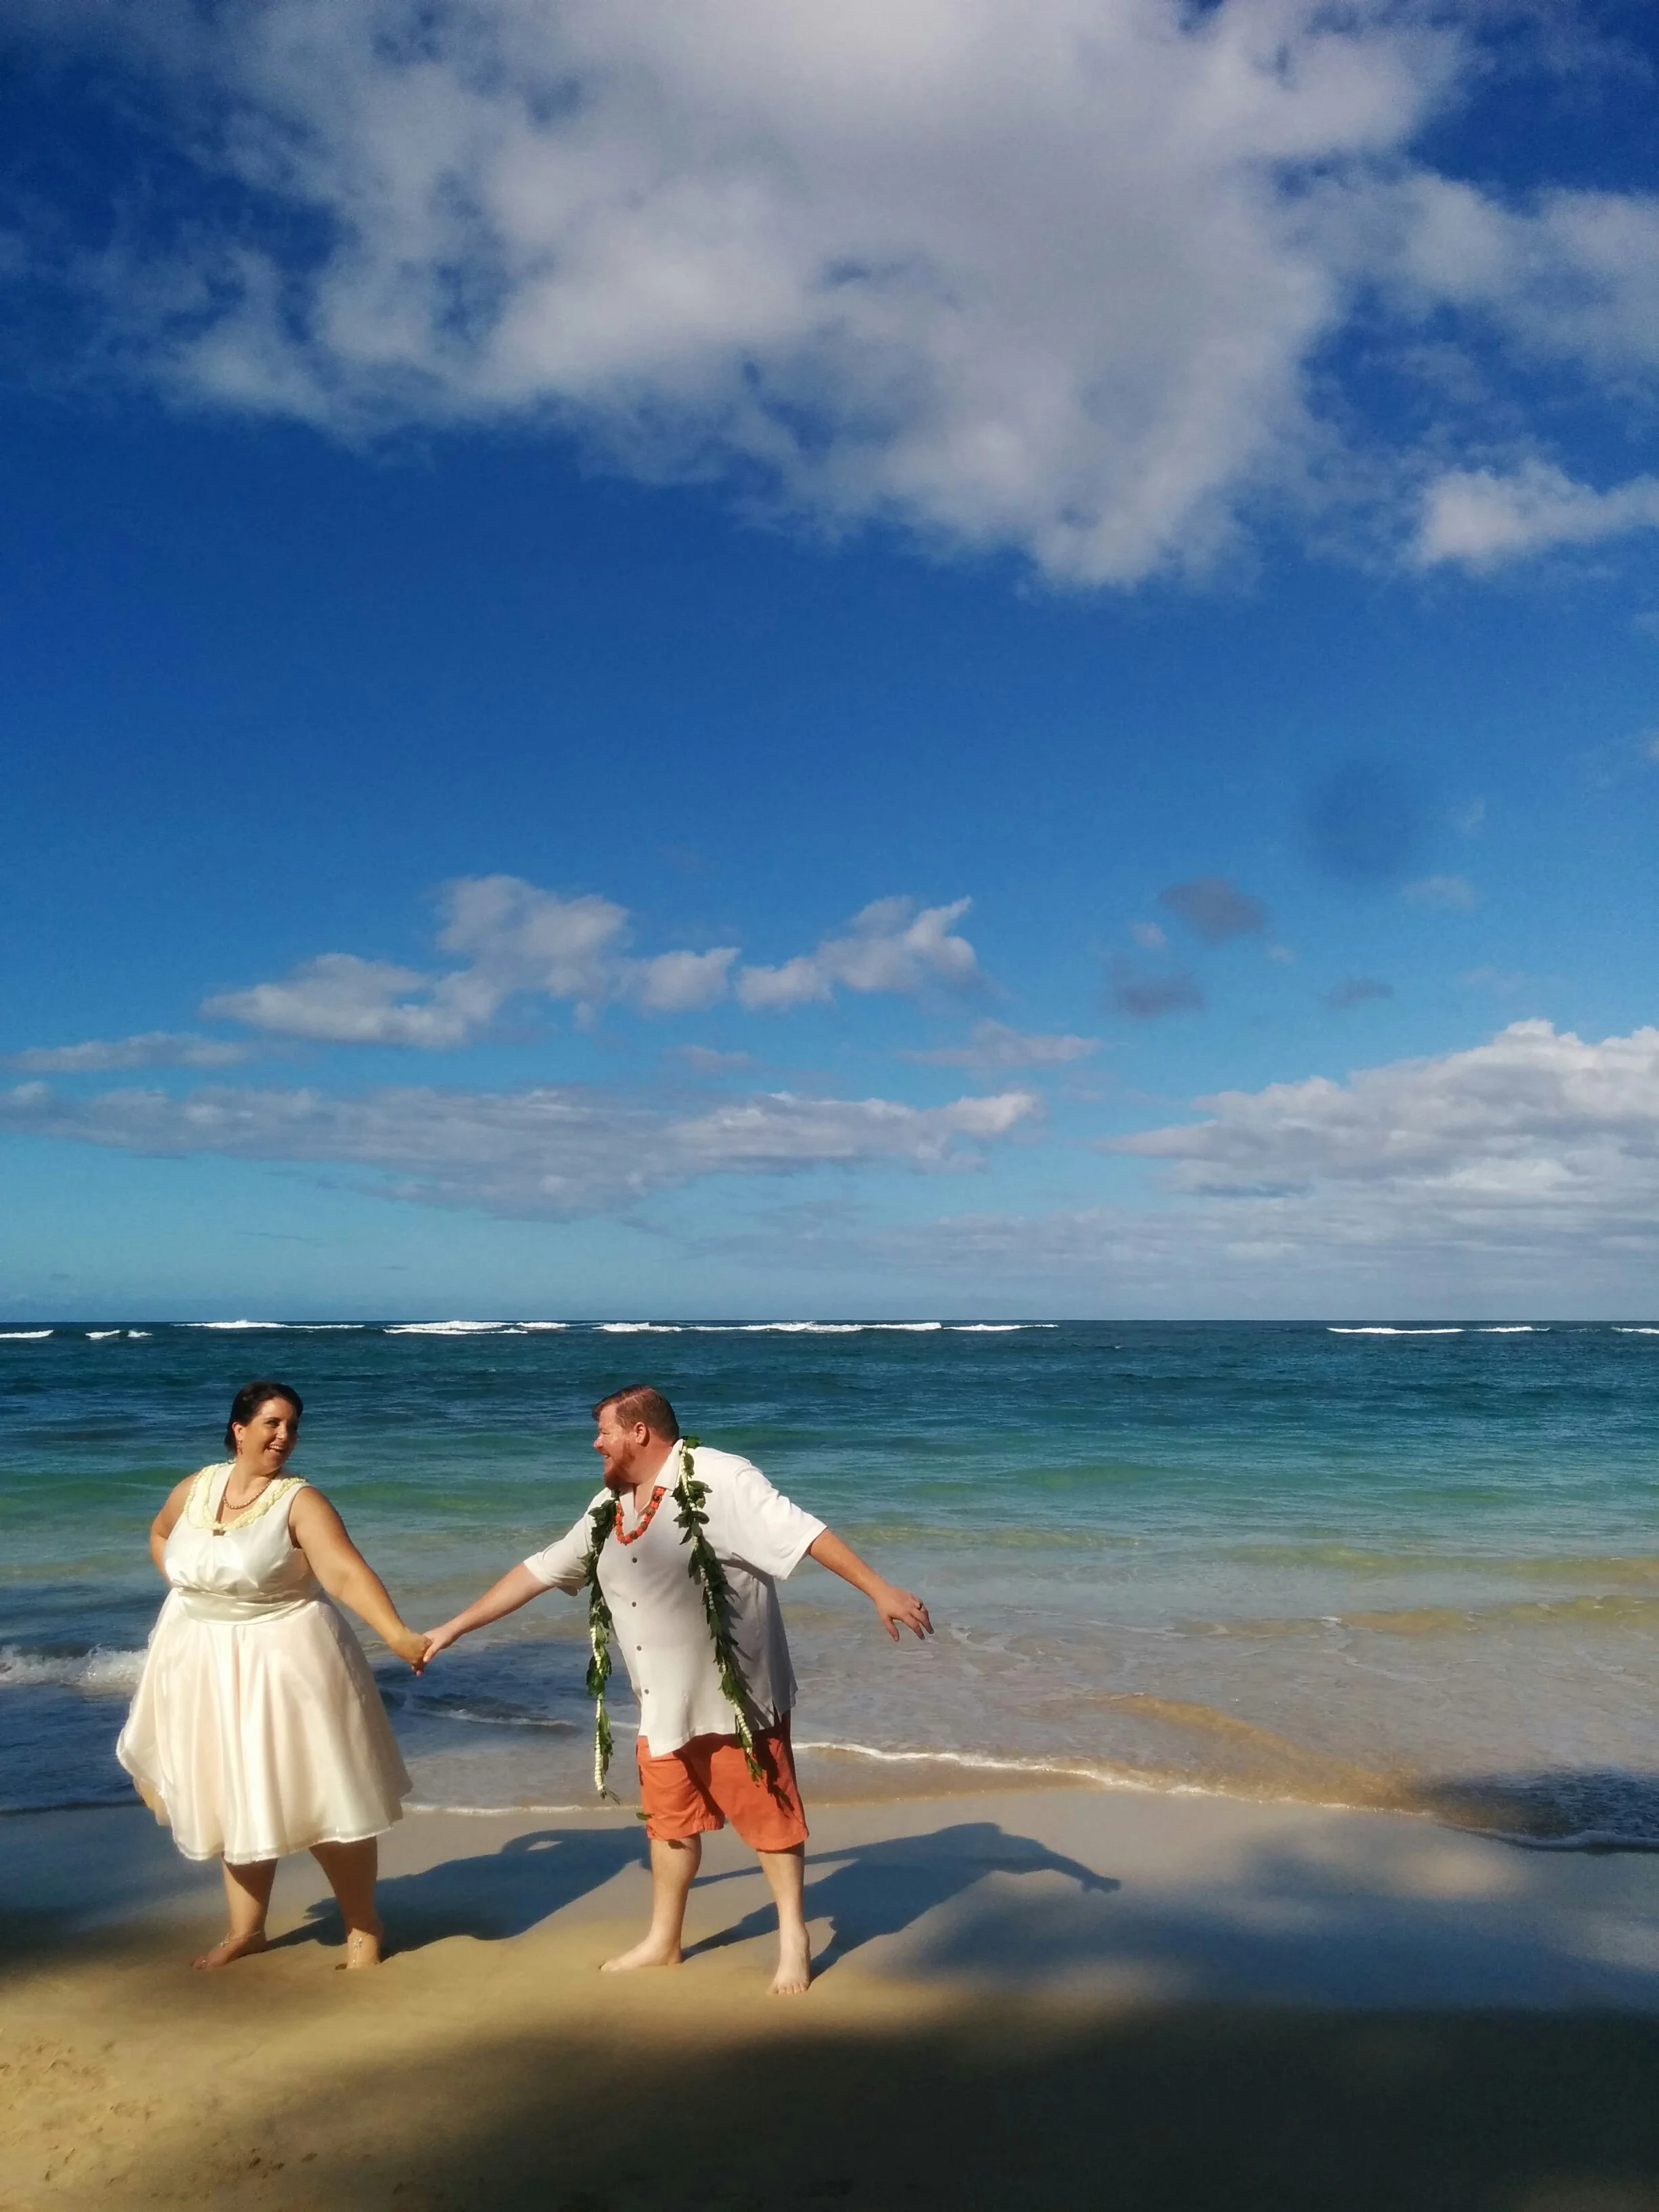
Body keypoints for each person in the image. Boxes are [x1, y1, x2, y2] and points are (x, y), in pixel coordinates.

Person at [422, 1384, 933, 1994]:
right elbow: (542, 1568)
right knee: (669, 1823)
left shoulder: (720, 1477)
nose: (596, 1443)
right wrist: (452, 1628)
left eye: (604, 1431)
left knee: (770, 1819)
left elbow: (803, 1533)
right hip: (660, 1704)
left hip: (732, 1699)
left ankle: (793, 1935)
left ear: (640, 1432)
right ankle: (665, 1939)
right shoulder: (608, 1507)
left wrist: (879, 1589)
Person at [117, 1380, 429, 1971]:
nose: (285, 1436)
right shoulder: (196, 1487)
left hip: (285, 1661)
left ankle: (363, 1927)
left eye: (292, 1426)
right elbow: (161, 1535)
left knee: (319, 1792)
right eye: (272, 1424)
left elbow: (343, 1573)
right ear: (239, 1429)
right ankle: (247, 1930)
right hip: (199, 1660)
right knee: (230, 1789)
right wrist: (196, 1589)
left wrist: (396, 1633)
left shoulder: (299, 1501)